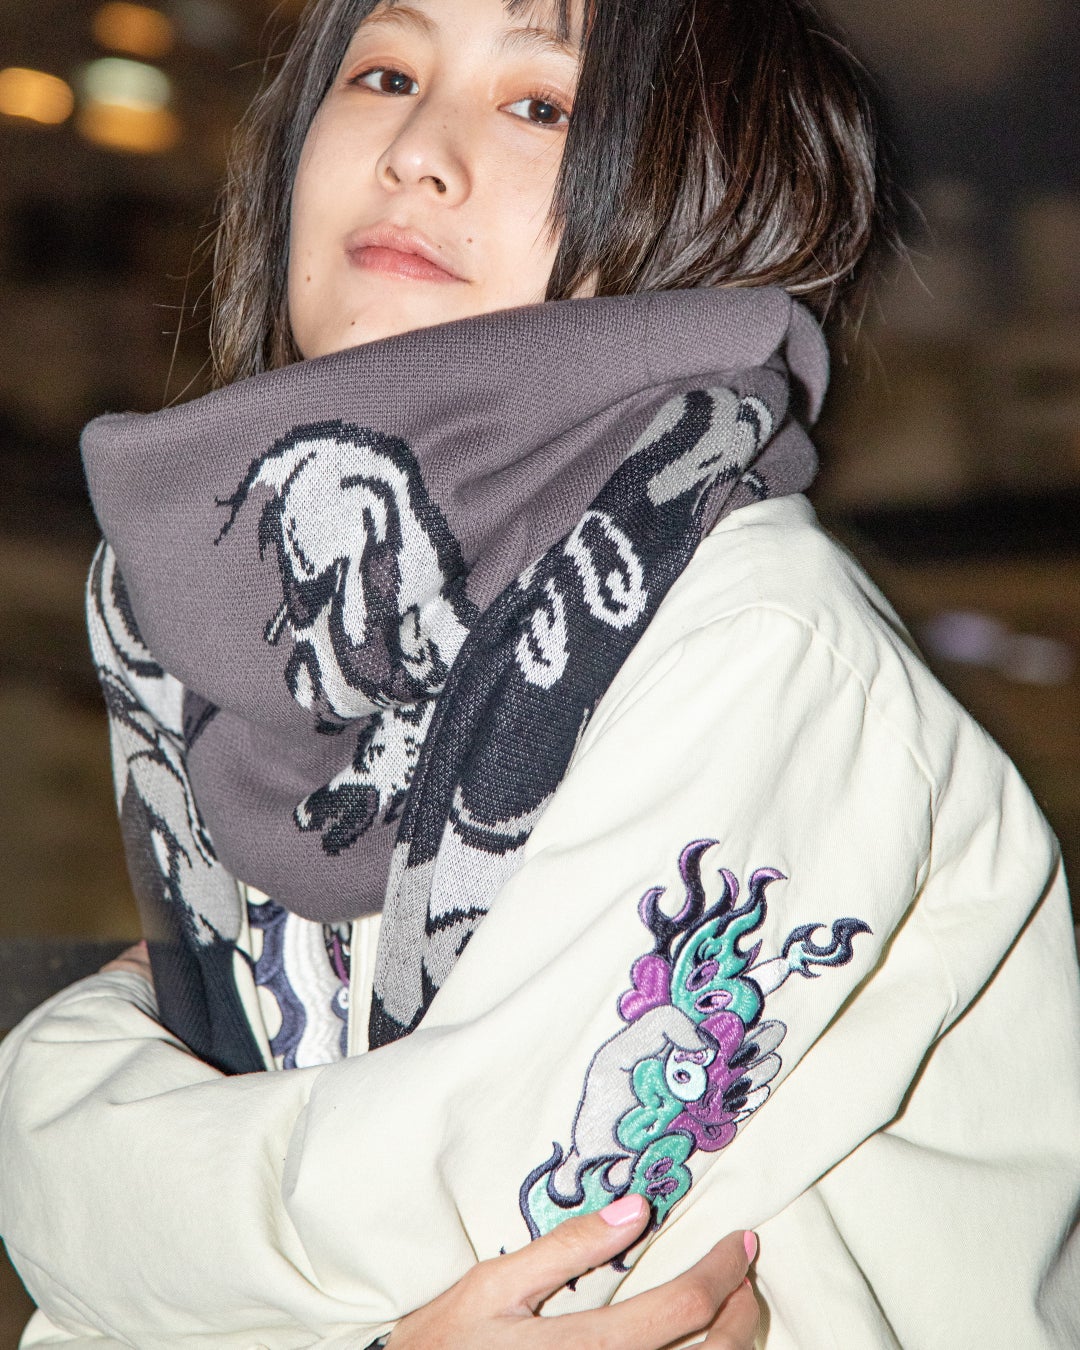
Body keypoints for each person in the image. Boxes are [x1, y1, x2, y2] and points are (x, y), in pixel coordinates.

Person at [1, 0, 1078, 1345]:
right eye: (383, 72)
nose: (415, 149)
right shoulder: (231, 629)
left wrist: (53, 1098)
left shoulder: (748, 641)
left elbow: (488, 1220)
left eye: (539, 105)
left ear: (711, 206)